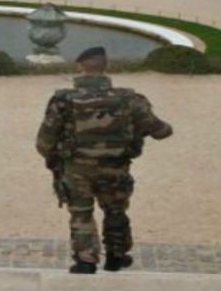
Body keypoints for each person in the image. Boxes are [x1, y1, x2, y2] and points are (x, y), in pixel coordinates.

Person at [36, 47, 172, 274]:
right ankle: (116, 256)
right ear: (106, 66)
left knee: (81, 213)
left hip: (77, 168)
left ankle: (85, 260)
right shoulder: (130, 100)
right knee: (115, 211)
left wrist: (57, 160)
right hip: (116, 167)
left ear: (80, 67)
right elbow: (162, 131)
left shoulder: (63, 101)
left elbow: (43, 144)